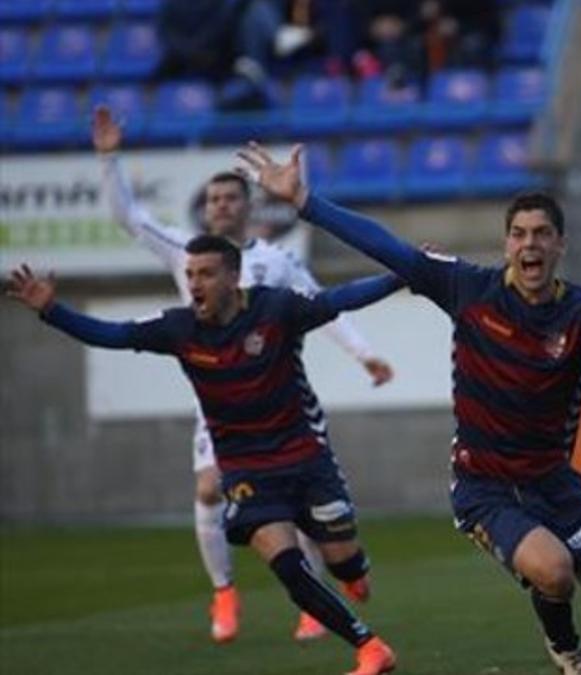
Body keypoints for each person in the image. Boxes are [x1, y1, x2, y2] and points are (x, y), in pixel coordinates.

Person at [239, 142, 581, 675]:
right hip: (484, 488)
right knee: (554, 571)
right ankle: (568, 652)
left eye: (541, 234)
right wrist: (305, 200)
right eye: (519, 234)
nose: (529, 244)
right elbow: (386, 248)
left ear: (560, 244)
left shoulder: (580, 311)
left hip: (555, 483)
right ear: (507, 243)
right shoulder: (467, 287)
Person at [6, 236, 399, 675]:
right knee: (288, 566)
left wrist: (401, 274)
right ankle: (369, 648)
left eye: (206, 273)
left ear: (233, 277)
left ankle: (351, 571)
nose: (195, 283)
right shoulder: (178, 328)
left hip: (306, 458)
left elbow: (339, 299)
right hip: (246, 468)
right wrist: (51, 310)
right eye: (190, 274)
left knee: (343, 559)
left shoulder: (275, 309)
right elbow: (113, 335)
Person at [92, 106, 396, 644]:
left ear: (248, 205)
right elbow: (128, 218)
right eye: (211, 199)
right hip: (219, 404)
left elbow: (321, 305)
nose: (220, 205)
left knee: (302, 507)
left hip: (276, 401)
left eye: (230, 197)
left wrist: (364, 354)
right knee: (209, 489)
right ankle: (224, 593)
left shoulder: (275, 261)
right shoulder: (186, 254)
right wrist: (110, 157)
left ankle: (320, 597)